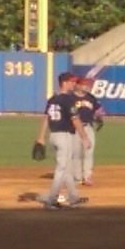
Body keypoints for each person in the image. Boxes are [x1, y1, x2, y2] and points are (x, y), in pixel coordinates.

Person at [33, 72, 88, 209]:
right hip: (64, 137)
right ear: (64, 83)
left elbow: (46, 118)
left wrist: (41, 137)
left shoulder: (53, 99)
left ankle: (74, 198)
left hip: (53, 136)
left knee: (67, 169)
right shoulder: (68, 99)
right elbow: (75, 120)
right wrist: (84, 137)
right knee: (61, 169)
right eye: (71, 81)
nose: (74, 84)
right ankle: (51, 200)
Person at [71, 72, 103, 189]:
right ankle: (77, 177)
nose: (87, 86)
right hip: (74, 129)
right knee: (76, 153)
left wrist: (99, 118)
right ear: (78, 85)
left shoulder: (91, 98)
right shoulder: (70, 98)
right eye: (84, 84)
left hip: (88, 127)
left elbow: (98, 110)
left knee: (89, 152)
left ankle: (87, 176)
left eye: (87, 84)